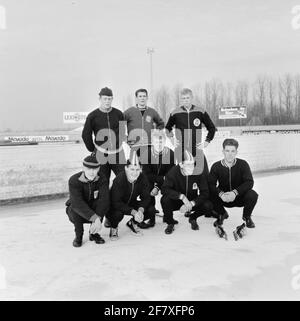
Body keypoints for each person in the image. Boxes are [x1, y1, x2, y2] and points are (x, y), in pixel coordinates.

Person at [208, 138, 258, 228]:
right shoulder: (216, 166)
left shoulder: (243, 164)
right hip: (223, 197)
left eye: (232, 151)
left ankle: (247, 217)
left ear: (236, 152)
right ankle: (222, 214)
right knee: (208, 194)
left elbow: (249, 182)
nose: (230, 154)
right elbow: (211, 184)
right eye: (227, 151)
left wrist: (235, 192)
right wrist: (221, 194)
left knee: (253, 194)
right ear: (223, 151)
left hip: (239, 197)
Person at [165, 88, 216, 175]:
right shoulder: (175, 113)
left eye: (187, 98)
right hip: (182, 150)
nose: (185, 100)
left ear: (192, 98)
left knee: (204, 174)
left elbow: (211, 127)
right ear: (181, 99)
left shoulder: (200, 111)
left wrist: (207, 141)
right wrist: (172, 139)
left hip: (197, 149)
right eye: (183, 98)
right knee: (184, 175)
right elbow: (167, 128)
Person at [160, 150, 212, 235]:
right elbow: (164, 189)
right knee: (165, 200)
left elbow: (205, 193)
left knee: (208, 205)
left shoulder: (197, 172)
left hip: (192, 201)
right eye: (188, 164)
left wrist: (192, 203)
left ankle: (193, 217)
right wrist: (181, 197)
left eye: (192, 164)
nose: (191, 167)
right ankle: (170, 222)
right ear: (181, 164)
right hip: (177, 200)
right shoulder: (173, 172)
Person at [82, 87, 127, 181]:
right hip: (101, 155)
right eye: (105, 99)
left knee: (124, 180)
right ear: (100, 99)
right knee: (102, 182)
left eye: (109, 99)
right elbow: (86, 134)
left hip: (117, 154)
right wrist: (92, 149)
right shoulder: (92, 116)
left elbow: (122, 132)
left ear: (112, 99)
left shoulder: (119, 114)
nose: (107, 101)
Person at [108, 151, 155, 240]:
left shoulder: (142, 177)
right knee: (117, 214)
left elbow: (146, 197)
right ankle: (114, 227)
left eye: (137, 169)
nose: (135, 172)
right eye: (132, 169)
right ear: (126, 168)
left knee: (150, 210)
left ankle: (133, 223)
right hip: (117, 206)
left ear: (141, 169)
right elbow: (116, 202)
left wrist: (140, 210)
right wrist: (133, 212)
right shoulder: (119, 180)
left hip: (131, 203)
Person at [65, 155, 110, 247]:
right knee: (75, 209)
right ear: (83, 168)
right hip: (77, 209)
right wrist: (95, 218)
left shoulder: (102, 179)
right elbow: (78, 203)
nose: (92, 172)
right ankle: (78, 236)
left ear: (99, 168)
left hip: (93, 206)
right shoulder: (74, 180)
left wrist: (98, 217)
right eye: (88, 169)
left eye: (95, 169)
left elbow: (104, 200)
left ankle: (93, 234)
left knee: (101, 205)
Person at [139, 130, 176, 228]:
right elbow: (146, 174)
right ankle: (151, 218)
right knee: (147, 189)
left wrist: (158, 187)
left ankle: (168, 217)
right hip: (149, 180)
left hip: (165, 180)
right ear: (152, 142)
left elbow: (171, 174)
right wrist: (155, 186)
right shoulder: (146, 154)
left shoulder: (170, 153)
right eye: (156, 142)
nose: (158, 144)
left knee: (170, 190)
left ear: (164, 142)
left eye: (161, 142)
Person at [124, 88, 164, 156]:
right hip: (134, 146)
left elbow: (161, 124)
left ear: (147, 97)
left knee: (147, 166)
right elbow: (118, 124)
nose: (142, 98)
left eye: (144, 96)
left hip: (149, 145)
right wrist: (125, 138)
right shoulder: (129, 112)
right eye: (140, 96)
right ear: (136, 98)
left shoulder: (152, 111)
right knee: (136, 166)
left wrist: (156, 134)